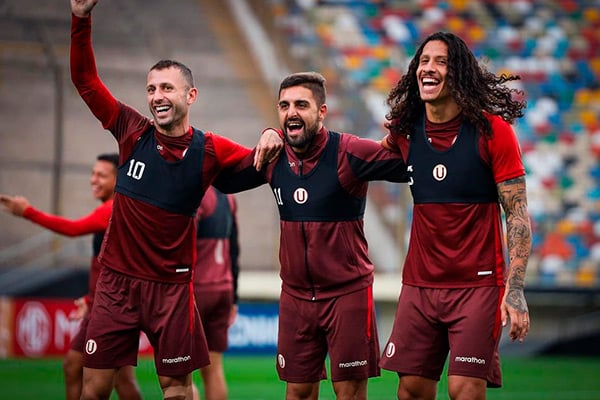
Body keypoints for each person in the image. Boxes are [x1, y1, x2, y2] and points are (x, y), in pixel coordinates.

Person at [69, 1, 281, 399]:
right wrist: (80, 19)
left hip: (172, 289)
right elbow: (85, 80)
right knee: (93, 388)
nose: (157, 96)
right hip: (116, 283)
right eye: (151, 89)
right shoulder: (131, 130)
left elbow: (260, 163)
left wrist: (273, 132)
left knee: (178, 389)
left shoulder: (210, 149)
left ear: (191, 94)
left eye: (166, 87)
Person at [214, 71, 410, 400]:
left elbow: (407, 166)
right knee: (299, 392)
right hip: (296, 298)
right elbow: (225, 179)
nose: (291, 112)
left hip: (347, 295)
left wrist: (402, 131)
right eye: (284, 106)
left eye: (301, 105)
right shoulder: (274, 157)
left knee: (349, 393)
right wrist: (267, 133)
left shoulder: (349, 151)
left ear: (322, 112)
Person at [378, 31, 532, 400]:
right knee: (411, 389)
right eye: (424, 61)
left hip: (477, 287)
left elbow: (518, 215)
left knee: (464, 389)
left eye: (441, 62)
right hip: (419, 285)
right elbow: (367, 157)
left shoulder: (493, 131)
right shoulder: (405, 131)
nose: (429, 68)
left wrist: (515, 291)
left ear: (459, 73)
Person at [0, 153, 141, 400]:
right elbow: (112, 267)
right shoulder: (116, 209)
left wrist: (27, 212)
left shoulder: (112, 208)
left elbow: (73, 229)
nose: (93, 180)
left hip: (110, 309)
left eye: (101, 175)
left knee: (83, 368)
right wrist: (90, 299)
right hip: (105, 305)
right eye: (93, 174)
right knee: (103, 373)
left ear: (118, 180)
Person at [192, 186, 240, 400]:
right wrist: (234, 298)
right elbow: (234, 250)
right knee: (214, 368)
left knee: (180, 372)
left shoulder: (197, 194)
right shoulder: (228, 197)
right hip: (224, 288)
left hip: (198, 289)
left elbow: (183, 245)